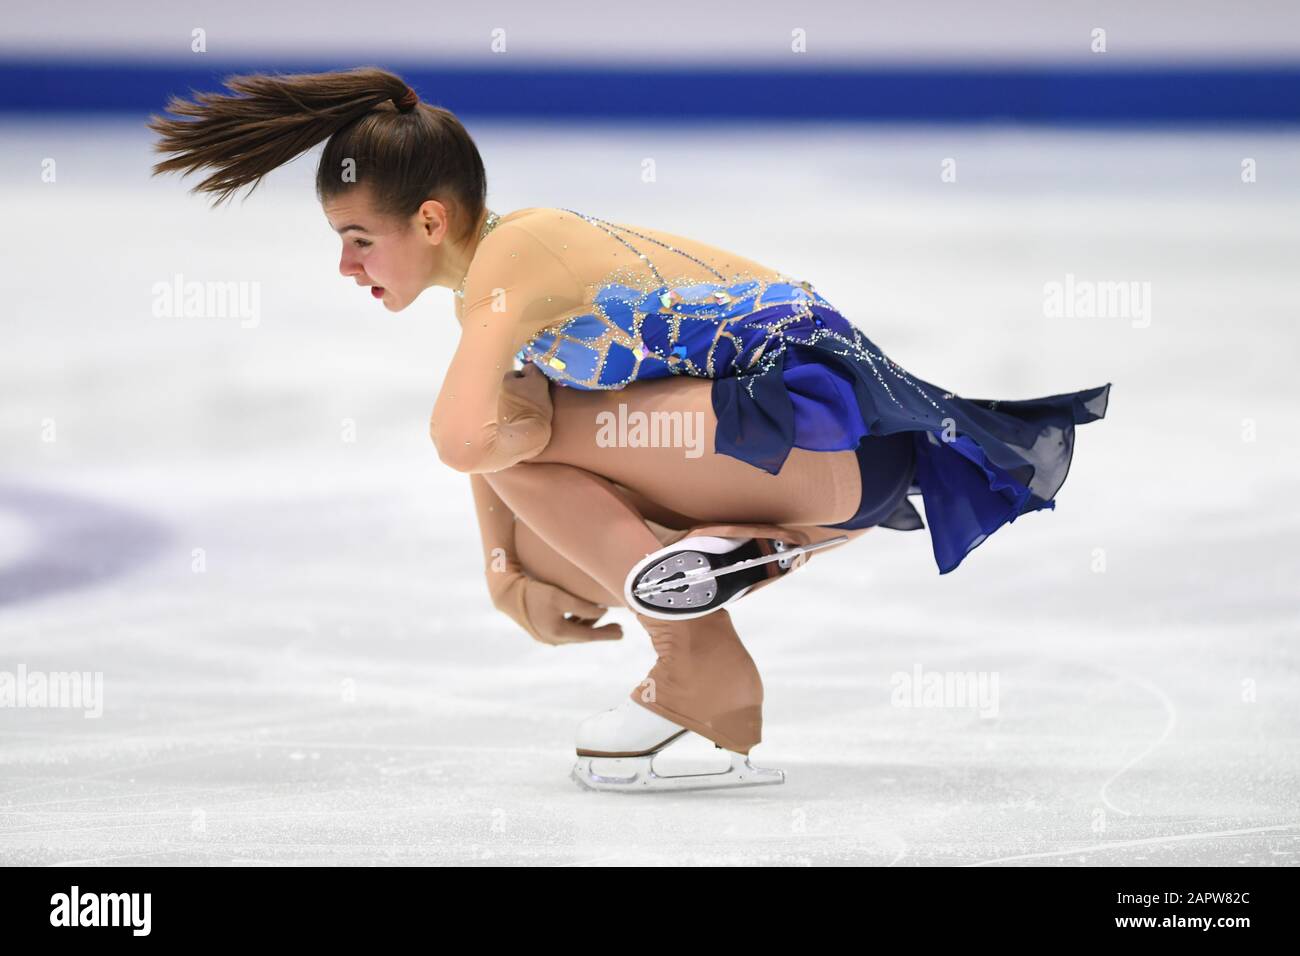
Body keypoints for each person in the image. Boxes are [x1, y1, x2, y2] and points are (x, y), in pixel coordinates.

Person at [147, 67, 1111, 792]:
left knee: (514, 431)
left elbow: (455, 439)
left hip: (819, 436)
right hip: (823, 468)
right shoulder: (500, 285)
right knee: (538, 535)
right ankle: (738, 559)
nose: (348, 269)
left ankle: (704, 669)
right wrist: (506, 581)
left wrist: (506, 548)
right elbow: (490, 459)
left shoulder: (516, 256)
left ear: (432, 219)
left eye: (358, 239)